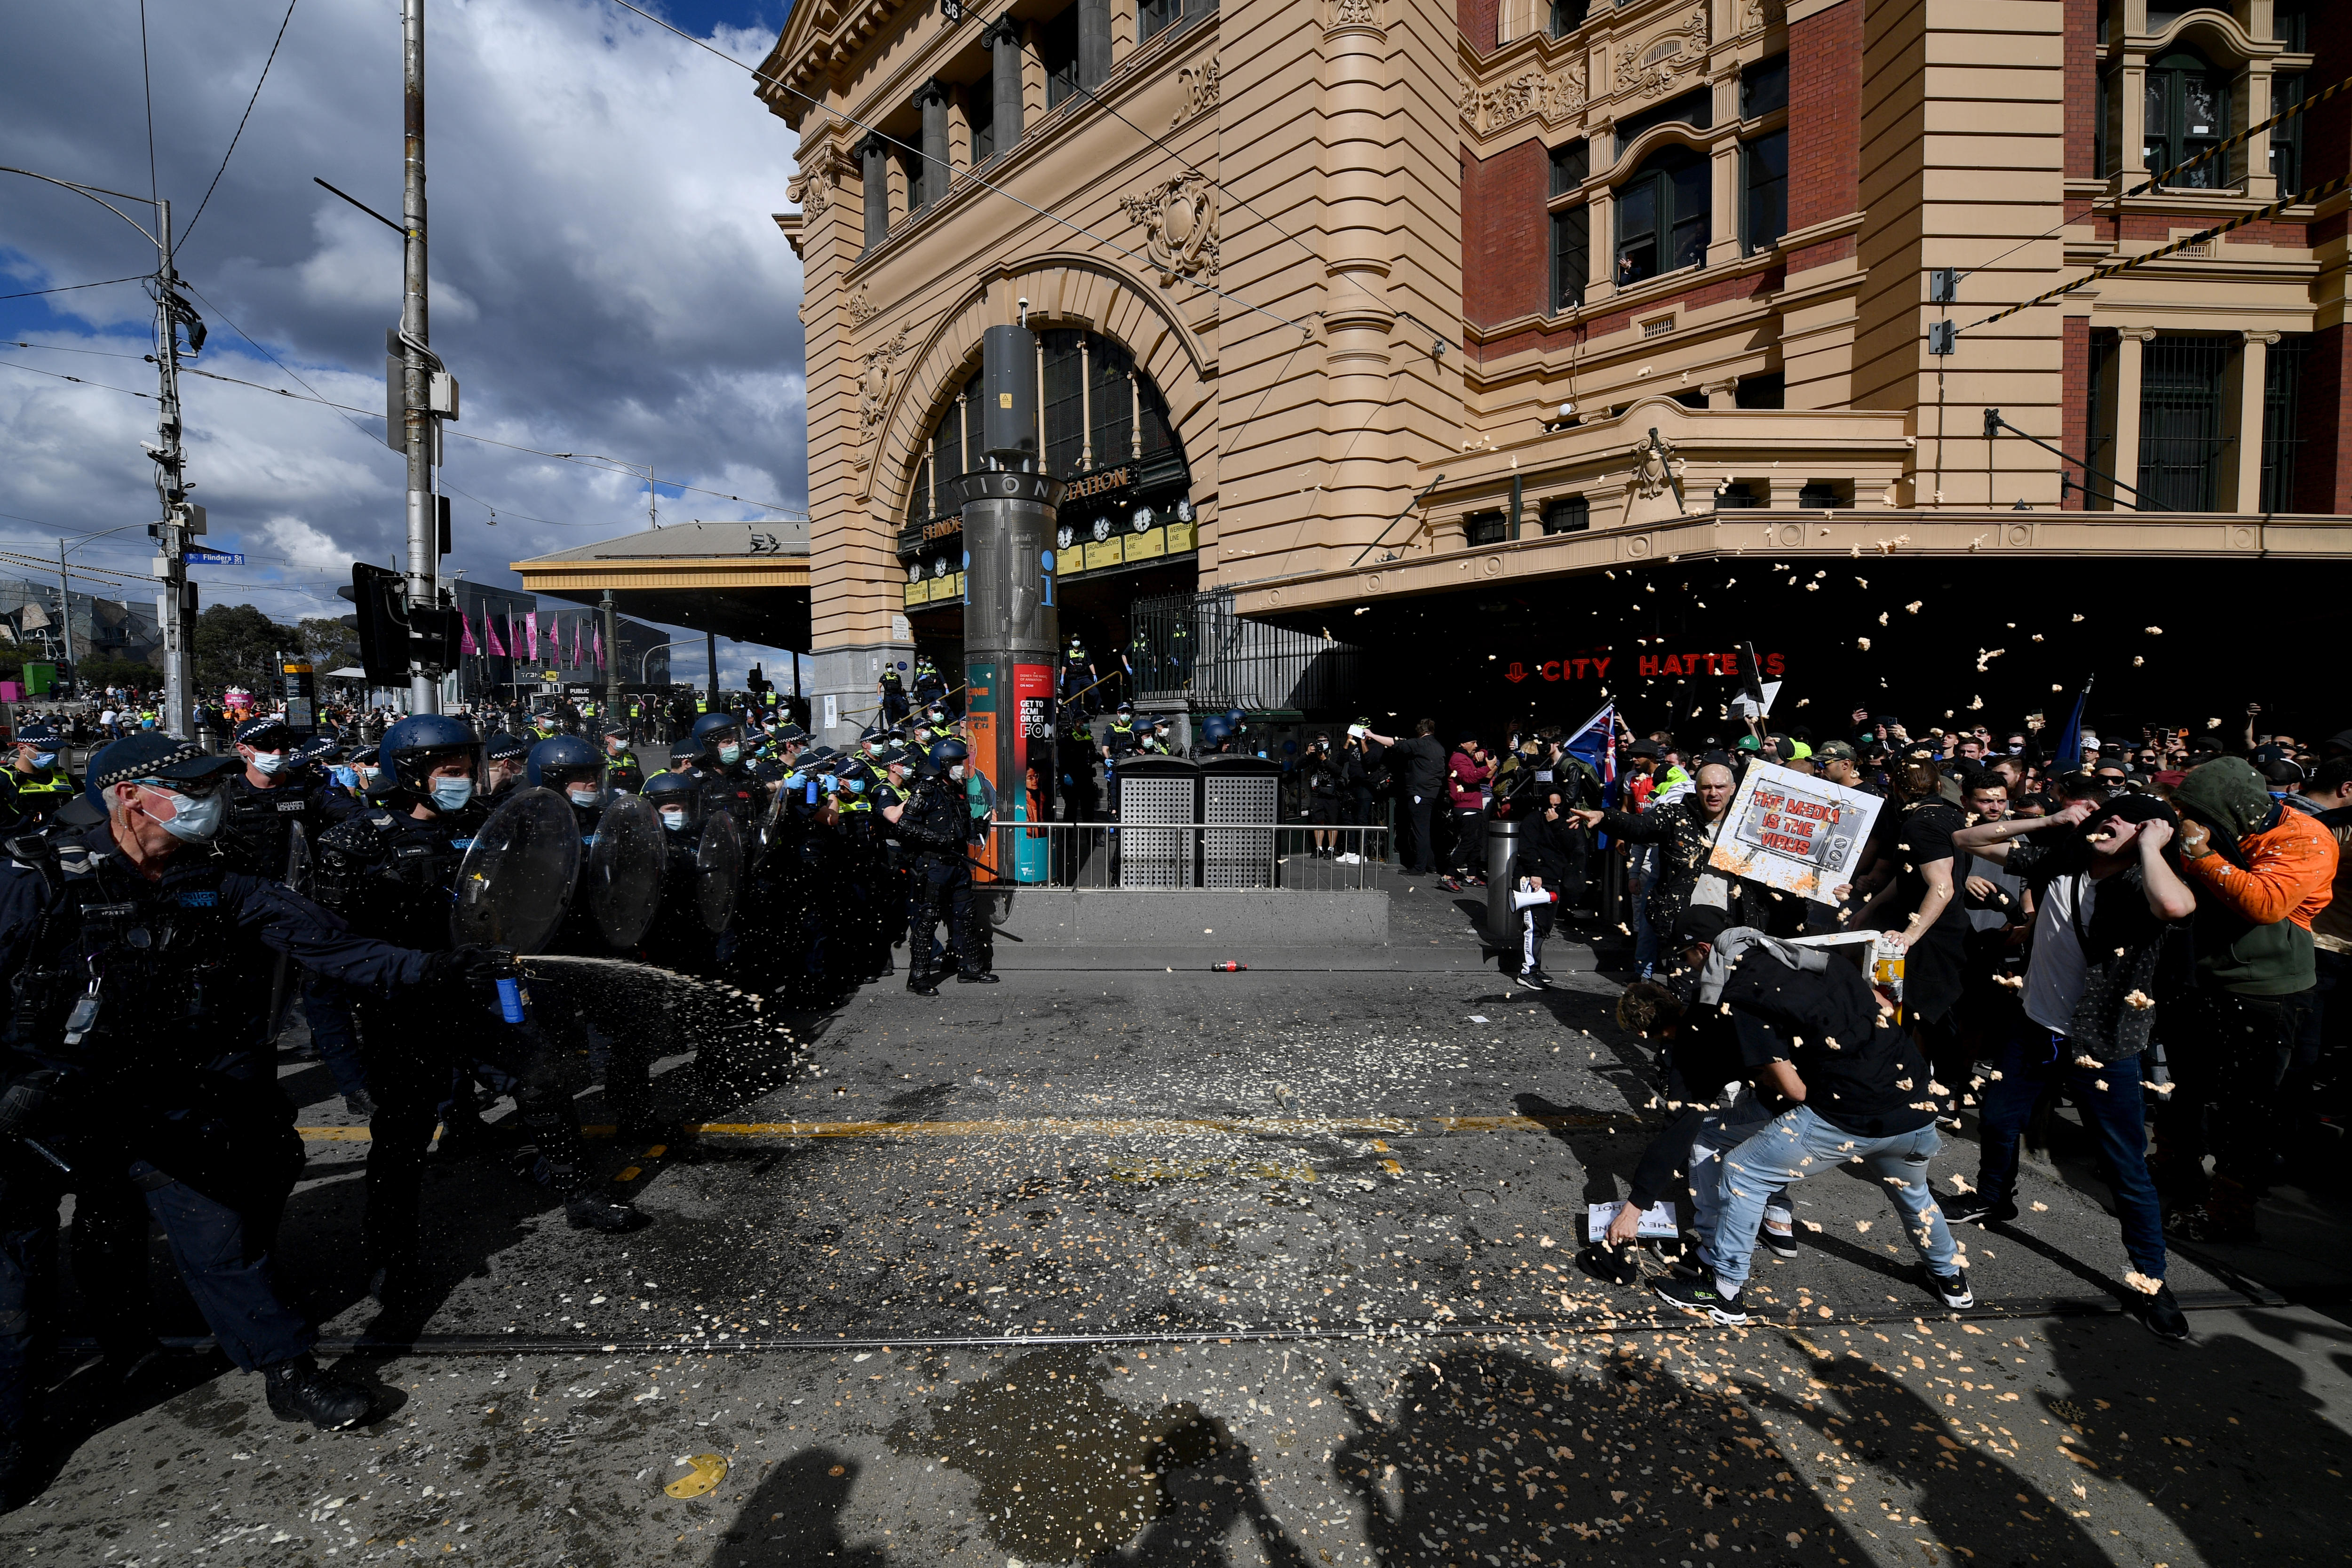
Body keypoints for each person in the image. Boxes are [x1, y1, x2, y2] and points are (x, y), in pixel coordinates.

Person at [0, 735, 485, 1472]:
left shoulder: (216, 881)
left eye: (216, 787)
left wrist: (437, 969)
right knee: (16, 1276)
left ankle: (288, 1375)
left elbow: (334, 946)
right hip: (28, 1108)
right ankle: (16, 1432)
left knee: (221, 1234)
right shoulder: (35, 874)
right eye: (191, 788)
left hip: (148, 1094)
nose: (212, 803)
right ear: (131, 795)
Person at [316, 716, 645, 1312]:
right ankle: (394, 1253)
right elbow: (337, 945)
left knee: (543, 1082)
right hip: (407, 1004)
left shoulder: (487, 825)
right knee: (403, 1132)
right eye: (449, 773)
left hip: (486, 992)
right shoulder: (358, 839)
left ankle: (579, 1194)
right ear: (409, 774)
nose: (463, 782)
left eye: (469, 770)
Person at [1947, 791, 2196, 1338]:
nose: (2113, 822)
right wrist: (2051, 819)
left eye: (2131, 821)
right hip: (2033, 1026)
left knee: (2126, 1170)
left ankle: (2152, 1281)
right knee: (1995, 1118)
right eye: (2111, 813)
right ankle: (1993, 1200)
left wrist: (2152, 846)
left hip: (2102, 1046)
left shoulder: (2139, 884)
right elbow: (1964, 840)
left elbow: (2176, 908)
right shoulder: (2060, 857)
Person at [1651, 912, 1973, 1326]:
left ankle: (1724, 1289)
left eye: (1686, 958)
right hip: (1913, 1103)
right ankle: (1951, 1278)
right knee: (1913, 1193)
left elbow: (1793, 1090)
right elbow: (1883, 1005)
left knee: (1743, 1169)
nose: (1688, 968)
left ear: (1704, 950)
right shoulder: (1816, 959)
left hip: (1848, 1116)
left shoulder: (1745, 993)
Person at [2158, 756, 2337, 1241]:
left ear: (2230, 809)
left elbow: (2264, 903)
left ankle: (2230, 1207)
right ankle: (2175, 1162)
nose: (2188, 822)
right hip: (2200, 974)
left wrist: (2200, 856)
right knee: (2189, 1081)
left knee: (2247, 1103)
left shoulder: (2305, 836)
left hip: (2265, 988)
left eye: (2197, 812)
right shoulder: (2208, 825)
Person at [897, 737, 994, 994]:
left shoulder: (956, 790)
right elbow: (905, 825)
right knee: (928, 920)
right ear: (942, 764)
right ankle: (918, 977)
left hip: (958, 865)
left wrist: (977, 827)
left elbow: (958, 823)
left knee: (966, 918)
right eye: (956, 763)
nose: (961, 768)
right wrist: (937, 839)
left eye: (962, 762)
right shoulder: (926, 790)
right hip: (934, 866)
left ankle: (970, 968)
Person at [1363, 720, 1446, 876]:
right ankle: (1430, 865)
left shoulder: (1419, 744)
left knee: (1419, 831)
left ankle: (1420, 868)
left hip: (1419, 794)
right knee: (1427, 830)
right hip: (1432, 794)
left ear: (1420, 731)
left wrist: (1372, 735)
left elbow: (1395, 743)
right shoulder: (1439, 747)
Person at [1439, 737, 1491, 891]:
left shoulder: (1466, 757)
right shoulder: (1458, 758)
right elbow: (1468, 778)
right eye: (1473, 743)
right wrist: (1487, 768)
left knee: (1477, 842)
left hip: (1473, 805)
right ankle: (1448, 876)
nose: (1476, 746)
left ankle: (1471, 875)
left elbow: (1483, 754)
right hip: (1465, 805)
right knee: (1469, 842)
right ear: (1463, 743)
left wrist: (1482, 753)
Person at [0, 724, 76, 827]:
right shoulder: (4, 781)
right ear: (23, 748)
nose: (53, 754)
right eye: (45, 749)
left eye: (57, 750)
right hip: (24, 840)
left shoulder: (70, 780)